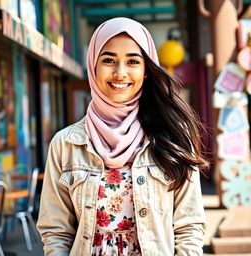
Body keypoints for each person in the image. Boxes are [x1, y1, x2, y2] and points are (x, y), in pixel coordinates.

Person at [37, 17, 209, 256]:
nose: (120, 73)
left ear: (146, 70)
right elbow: (55, 231)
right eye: (108, 60)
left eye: (133, 61)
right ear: (92, 65)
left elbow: (189, 227)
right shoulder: (65, 144)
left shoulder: (174, 137)